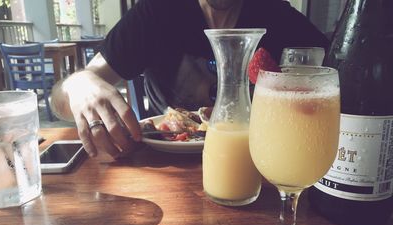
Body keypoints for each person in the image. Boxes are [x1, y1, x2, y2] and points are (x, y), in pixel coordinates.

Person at [51, 0, 329, 158]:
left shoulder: (279, 16)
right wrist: (79, 85)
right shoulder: (155, 13)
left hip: (260, 166)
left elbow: (338, 81)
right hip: (166, 166)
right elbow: (60, 102)